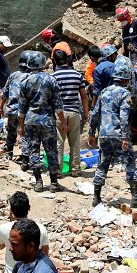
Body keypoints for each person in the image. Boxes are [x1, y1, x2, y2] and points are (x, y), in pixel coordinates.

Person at [89, 62, 137, 208]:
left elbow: (95, 114)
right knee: (130, 163)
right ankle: (136, 198)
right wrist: (126, 137)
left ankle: (96, 197)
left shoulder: (104, 92)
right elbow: (124, 117)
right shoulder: (125, 94)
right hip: (119, 135)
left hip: (104, 135)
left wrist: (91, 133)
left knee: (102, 164)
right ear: (125, 80)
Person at [18, 51, 68, 193]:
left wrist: (20, 127)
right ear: (42, 64)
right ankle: (53, 183)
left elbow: (21, 108)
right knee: (51, 151)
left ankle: (38, 182)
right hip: (47, 122)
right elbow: (58, 105)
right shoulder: (51, 80)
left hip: (31, 121)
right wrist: (63, 123)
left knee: (34, 151)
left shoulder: (25, 82)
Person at [0, 192, 49, 273]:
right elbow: (45, 255)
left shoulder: (3, 228)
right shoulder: (40, 228)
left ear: (11, 210)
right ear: (29, 208)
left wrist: (10, 219)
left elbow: (0, 246)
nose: (11, 248)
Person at [52, 49, 88, 177]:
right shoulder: (77, 75)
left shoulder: (53, 77)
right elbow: (84, 96)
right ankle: (76, 170)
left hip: (58, 114)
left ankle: (58, 170)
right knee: (75, 142)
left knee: (59, 143)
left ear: (55, 62)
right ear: (68, 60)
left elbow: (51, 97)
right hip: (74, 113)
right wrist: (86, 112)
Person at [0, 52, 29, 163]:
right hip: (25, 112)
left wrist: (0, 108)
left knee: (11, 132)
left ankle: (9, 154)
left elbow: (4, 94)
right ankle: (25, 159)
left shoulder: (13, 75)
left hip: (12, 110)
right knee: (25, 133)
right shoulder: (31, 77)